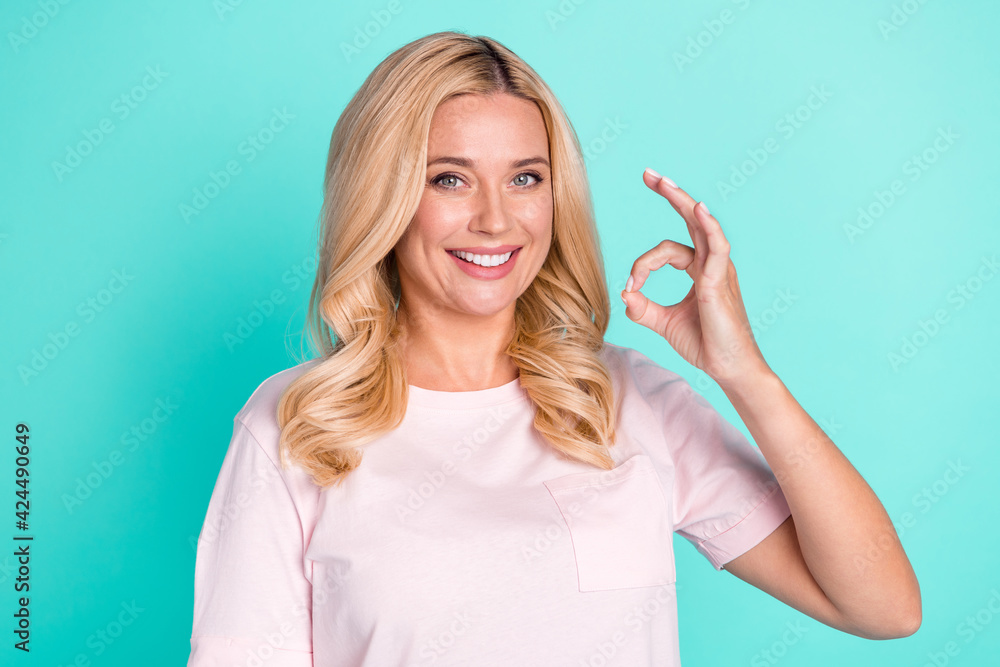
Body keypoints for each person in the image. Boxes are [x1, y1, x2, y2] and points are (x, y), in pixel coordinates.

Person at [187, 31, 920, 666]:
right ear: (384, 196)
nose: (495, 219)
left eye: (525, 178)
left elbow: (882, 605)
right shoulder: (296, 422)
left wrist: (743, 371)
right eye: (450, 179)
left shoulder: (628, 399)